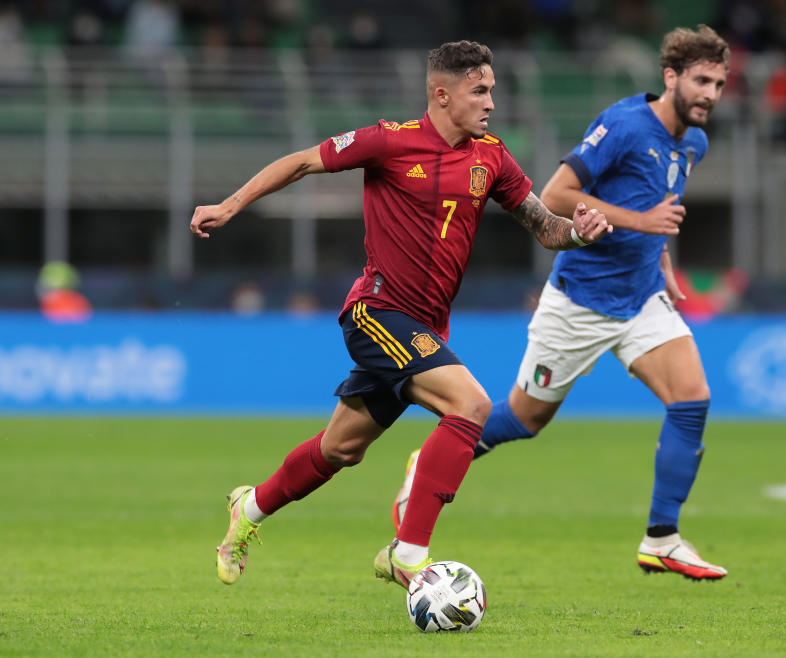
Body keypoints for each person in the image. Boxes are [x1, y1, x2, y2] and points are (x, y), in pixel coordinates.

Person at [190, 40, 611, 589]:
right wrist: (228, 206)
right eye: (478, 91)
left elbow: (545, 226)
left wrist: (579, 231)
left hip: (426, 329)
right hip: (377, 313)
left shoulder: (493, 157)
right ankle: (407, 553)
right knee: (471, 404)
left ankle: (248, 510)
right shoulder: (390, 142)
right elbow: (300, 162)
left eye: (492, 91)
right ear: (442, 95)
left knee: (341, 448)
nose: (489, 102)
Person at [394, 25, 730, 581]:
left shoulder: (693, 141)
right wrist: (642, 223)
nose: (711, 94)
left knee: (691, 399)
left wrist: (662, 260)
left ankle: (662, 539)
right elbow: (555, 196)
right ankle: (426, 465)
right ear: (671, 78)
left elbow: (659, 208)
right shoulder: (624, 124)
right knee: (524, 420)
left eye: (719, 83)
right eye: (701, 80)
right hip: (580, 301)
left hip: (642, 296)